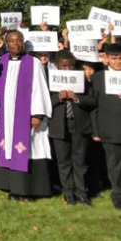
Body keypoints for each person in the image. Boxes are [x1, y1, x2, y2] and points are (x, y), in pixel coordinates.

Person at [0, 30, 53, 201]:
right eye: (12, 41)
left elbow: (40, 88)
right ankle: (13, 189)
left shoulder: (34, 63)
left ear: (23, 42)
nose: (16, 43)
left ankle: (28, 190)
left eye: (19, 40)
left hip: (26, 118)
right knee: (7, 149)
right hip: (5, 118)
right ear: (7, 43)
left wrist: (38, 113)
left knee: (28, 151)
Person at [47, 50, 96, 206]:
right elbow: (42, 101)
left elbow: (93, 101)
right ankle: (69, 194)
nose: (67, 69)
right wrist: (57, 98)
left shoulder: (83, 80)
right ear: (56, 66)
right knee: (63, 162)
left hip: (80, 125)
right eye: (63, 66)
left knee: (80, 162)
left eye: (70, 66)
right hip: (59, 126)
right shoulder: (50, 80)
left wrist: (77, 98)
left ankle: (82, 194)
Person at [91, 43, 121, 210]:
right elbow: (94, 106)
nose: (118, 62)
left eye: (120, 59)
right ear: (107, 59)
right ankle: (118, 195)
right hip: (109, 130)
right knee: (114, 164)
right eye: (114, 58)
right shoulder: (98, 77)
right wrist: (96, 130)